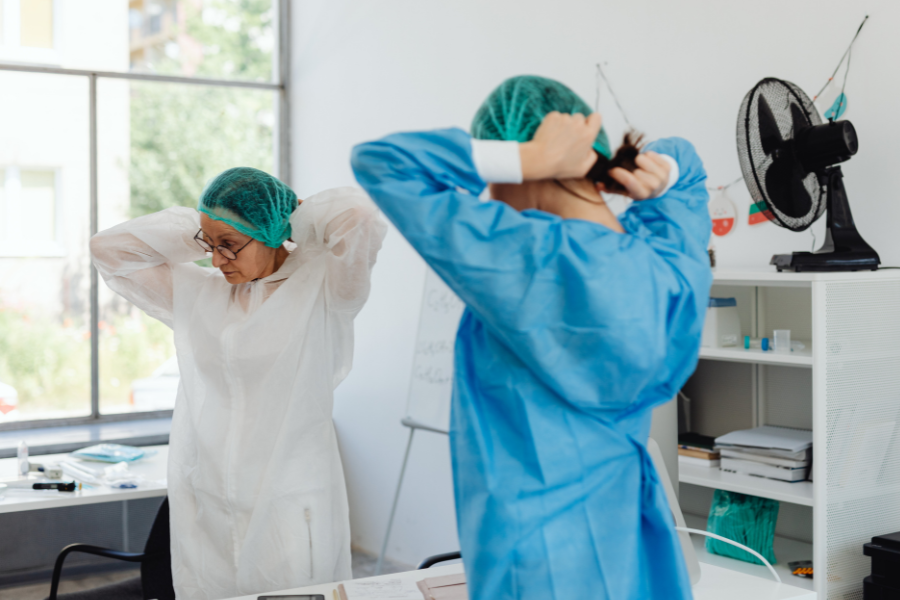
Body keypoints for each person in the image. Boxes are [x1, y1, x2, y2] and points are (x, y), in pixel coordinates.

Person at [351, 75, 712, 600]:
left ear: (538, 162)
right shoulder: (668, 260)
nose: (492, 195)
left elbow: (382, 162)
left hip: (533, 563)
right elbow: (687, 170)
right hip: (631, 549)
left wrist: (524, 158)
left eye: (501, 174)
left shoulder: (522, 256)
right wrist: (657, 170)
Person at [91, 168, 387, 599]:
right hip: (208, 505)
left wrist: (288, 216)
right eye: (208, 246)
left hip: (287, 506)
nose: (215, 260)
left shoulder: (324, 289)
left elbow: (359, 217)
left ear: (270, 231)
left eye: (229, 246)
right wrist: (211, 223)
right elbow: (109, 250)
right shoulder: (201, 293)